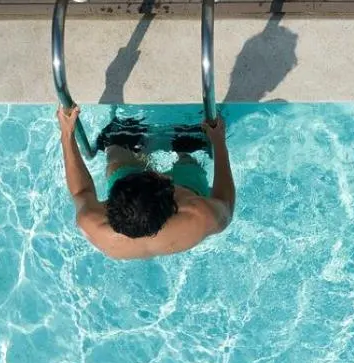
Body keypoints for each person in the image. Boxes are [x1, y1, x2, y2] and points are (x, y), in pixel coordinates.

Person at [56, 106, 235, 259]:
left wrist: (67, 133)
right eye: (163, 181)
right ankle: (184, 151)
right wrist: (218, 141)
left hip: (145, 196)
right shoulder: (199, 216)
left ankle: (132, 150)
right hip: (184, 196)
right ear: (173, 203)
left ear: (110, 206)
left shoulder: (94, 225)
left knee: (115, 152)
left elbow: (81, 192)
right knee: (188, 160)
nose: (158, 172)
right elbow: (225, 202)